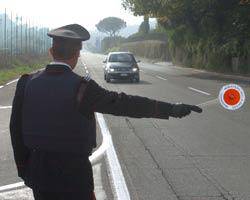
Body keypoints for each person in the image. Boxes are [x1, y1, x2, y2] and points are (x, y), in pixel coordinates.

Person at [9, 24, 202, 200]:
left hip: (39, 174)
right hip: (75, 175)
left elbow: (15, 129)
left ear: (51, 51)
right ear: (78, 53)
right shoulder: (82, 88)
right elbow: (126, 104)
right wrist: (172, 109)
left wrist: (24, 169)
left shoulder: (26, 83)